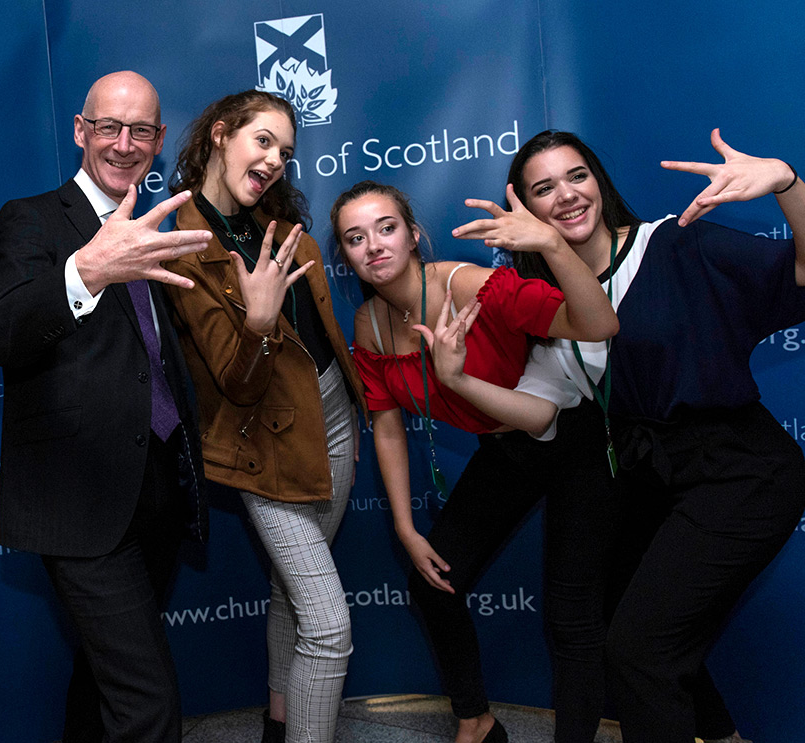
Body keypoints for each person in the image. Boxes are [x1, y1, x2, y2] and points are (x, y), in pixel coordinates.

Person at [483, 128, 805, 743]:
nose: (567, 196)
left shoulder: (677, 243)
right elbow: (538, 410)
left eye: (576, 176)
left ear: (599, 182)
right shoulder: (551, 304)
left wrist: (788, 184)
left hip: (741, 472)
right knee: (637, 632)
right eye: (543, 189)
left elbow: (803, 269)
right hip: (654, 481)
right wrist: (445, 378)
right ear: (524, 209)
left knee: (638, 651)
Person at [333, 179, 619, 743]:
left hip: (574, 443)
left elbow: (599, 324)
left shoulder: (473, 286)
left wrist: (556, 248)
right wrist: (405, 527)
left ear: (414, 235)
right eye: (355, 238)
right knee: (432, 581)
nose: (375, 247)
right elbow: (387, 424)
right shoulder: (368, 323)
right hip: (507, 448)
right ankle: (477, 721)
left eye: (387, 228)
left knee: (576, 618)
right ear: (345, 255)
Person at [0, 70, 213, 742]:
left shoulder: (162, 220)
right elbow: (5, 332)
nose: (123, 142)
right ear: (80, 131)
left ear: (159, 138)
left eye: (140, 129)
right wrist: (87, 269)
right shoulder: (31, 217)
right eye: (108, 126)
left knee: (105, 673)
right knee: (147, 702)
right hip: (79, 500)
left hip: (160, 489)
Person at [164, 90, 365, 743]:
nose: (277, 159)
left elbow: (321, 333)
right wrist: (257, 324)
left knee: (289, 589)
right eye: (263, 141)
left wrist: (350, 412)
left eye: (286, 151)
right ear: (220, 134)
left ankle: (280, 726)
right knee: (329, 625)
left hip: (333, 422)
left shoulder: (278, 221)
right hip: (262, 445)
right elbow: (235, 383)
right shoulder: (184, 246)